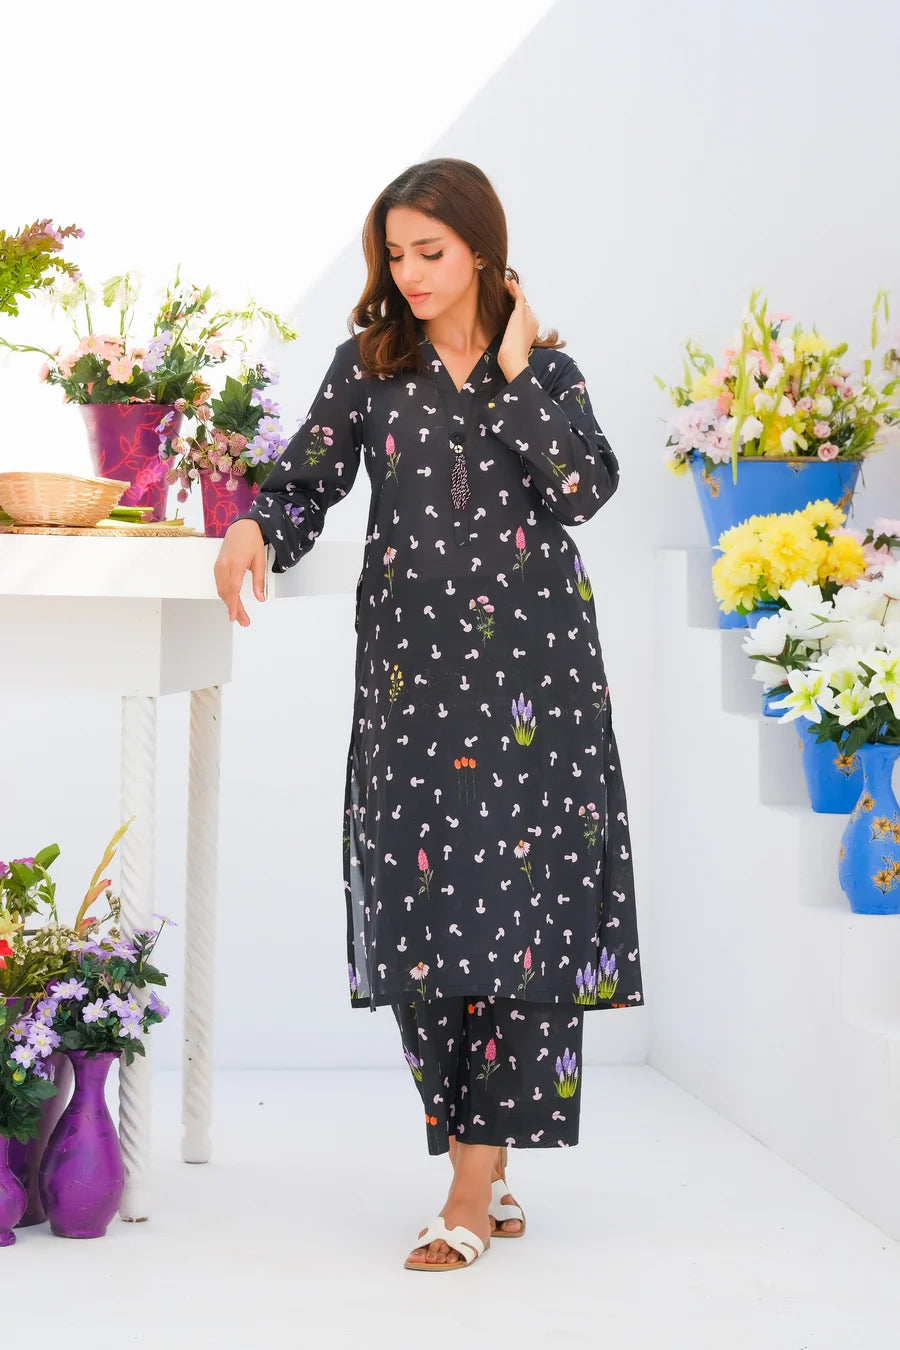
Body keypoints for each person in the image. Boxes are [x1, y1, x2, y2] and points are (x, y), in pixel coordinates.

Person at [214, 157, 644, 1273]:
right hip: (412, 688)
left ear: (483, 253)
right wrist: (258, 525)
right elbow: (305, 483)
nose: (408, 273)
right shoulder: (370, 368)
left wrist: (514, 374)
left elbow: (584, 492)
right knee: (420, 920)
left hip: (538, 687)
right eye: (394, 254)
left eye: (430, 252)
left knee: (524, 921)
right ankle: (480, 1161)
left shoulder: (548, 371)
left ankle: (467, 1182)